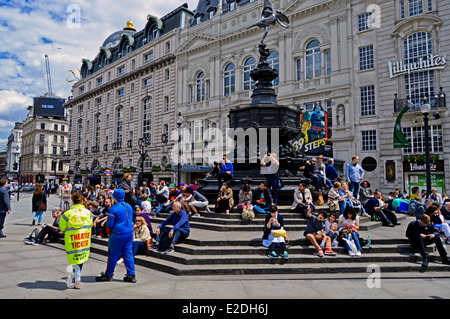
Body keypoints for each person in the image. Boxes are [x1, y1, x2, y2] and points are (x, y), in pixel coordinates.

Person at [95, 189, 136, 283]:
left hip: (118, 234)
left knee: (113, 255)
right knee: (128, 254)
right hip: (129, 232)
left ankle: (109, 274)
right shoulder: (128, 206)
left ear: (115, 197)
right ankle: (131, 275)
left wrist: (109, 233)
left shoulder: (113, 209)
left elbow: (109, 224)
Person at [59, 191, 93, 289]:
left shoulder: (66, 214)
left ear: (73, 201)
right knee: (80, 259)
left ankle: (77, 279)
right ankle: (77, 278)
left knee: (74, 259)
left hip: (72, 240)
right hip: (84, 239)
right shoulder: (88, 213)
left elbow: (62, 227)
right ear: (82, 200)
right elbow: (90, 224)